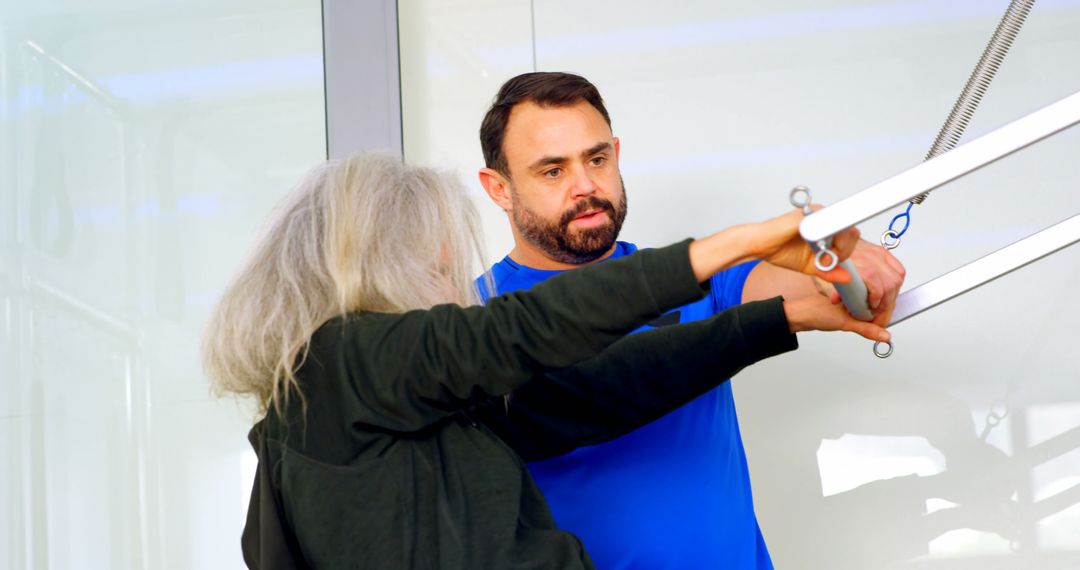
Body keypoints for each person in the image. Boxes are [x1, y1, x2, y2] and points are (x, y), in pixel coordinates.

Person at [203, 152, 888, 569]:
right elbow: (523, 330)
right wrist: (741, 244)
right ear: (383, 266)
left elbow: (589, 390)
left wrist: (779, 316)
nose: (454, 284)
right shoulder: (339, 365)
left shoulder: (409, 402)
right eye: (441, 265)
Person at [476, 71, 907, 569]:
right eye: (552, 171)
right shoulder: (471, 325)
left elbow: (814, 288)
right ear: (499, 189)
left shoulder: (694, 275)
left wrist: (838, 263)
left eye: (597, 159)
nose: (585, 187)